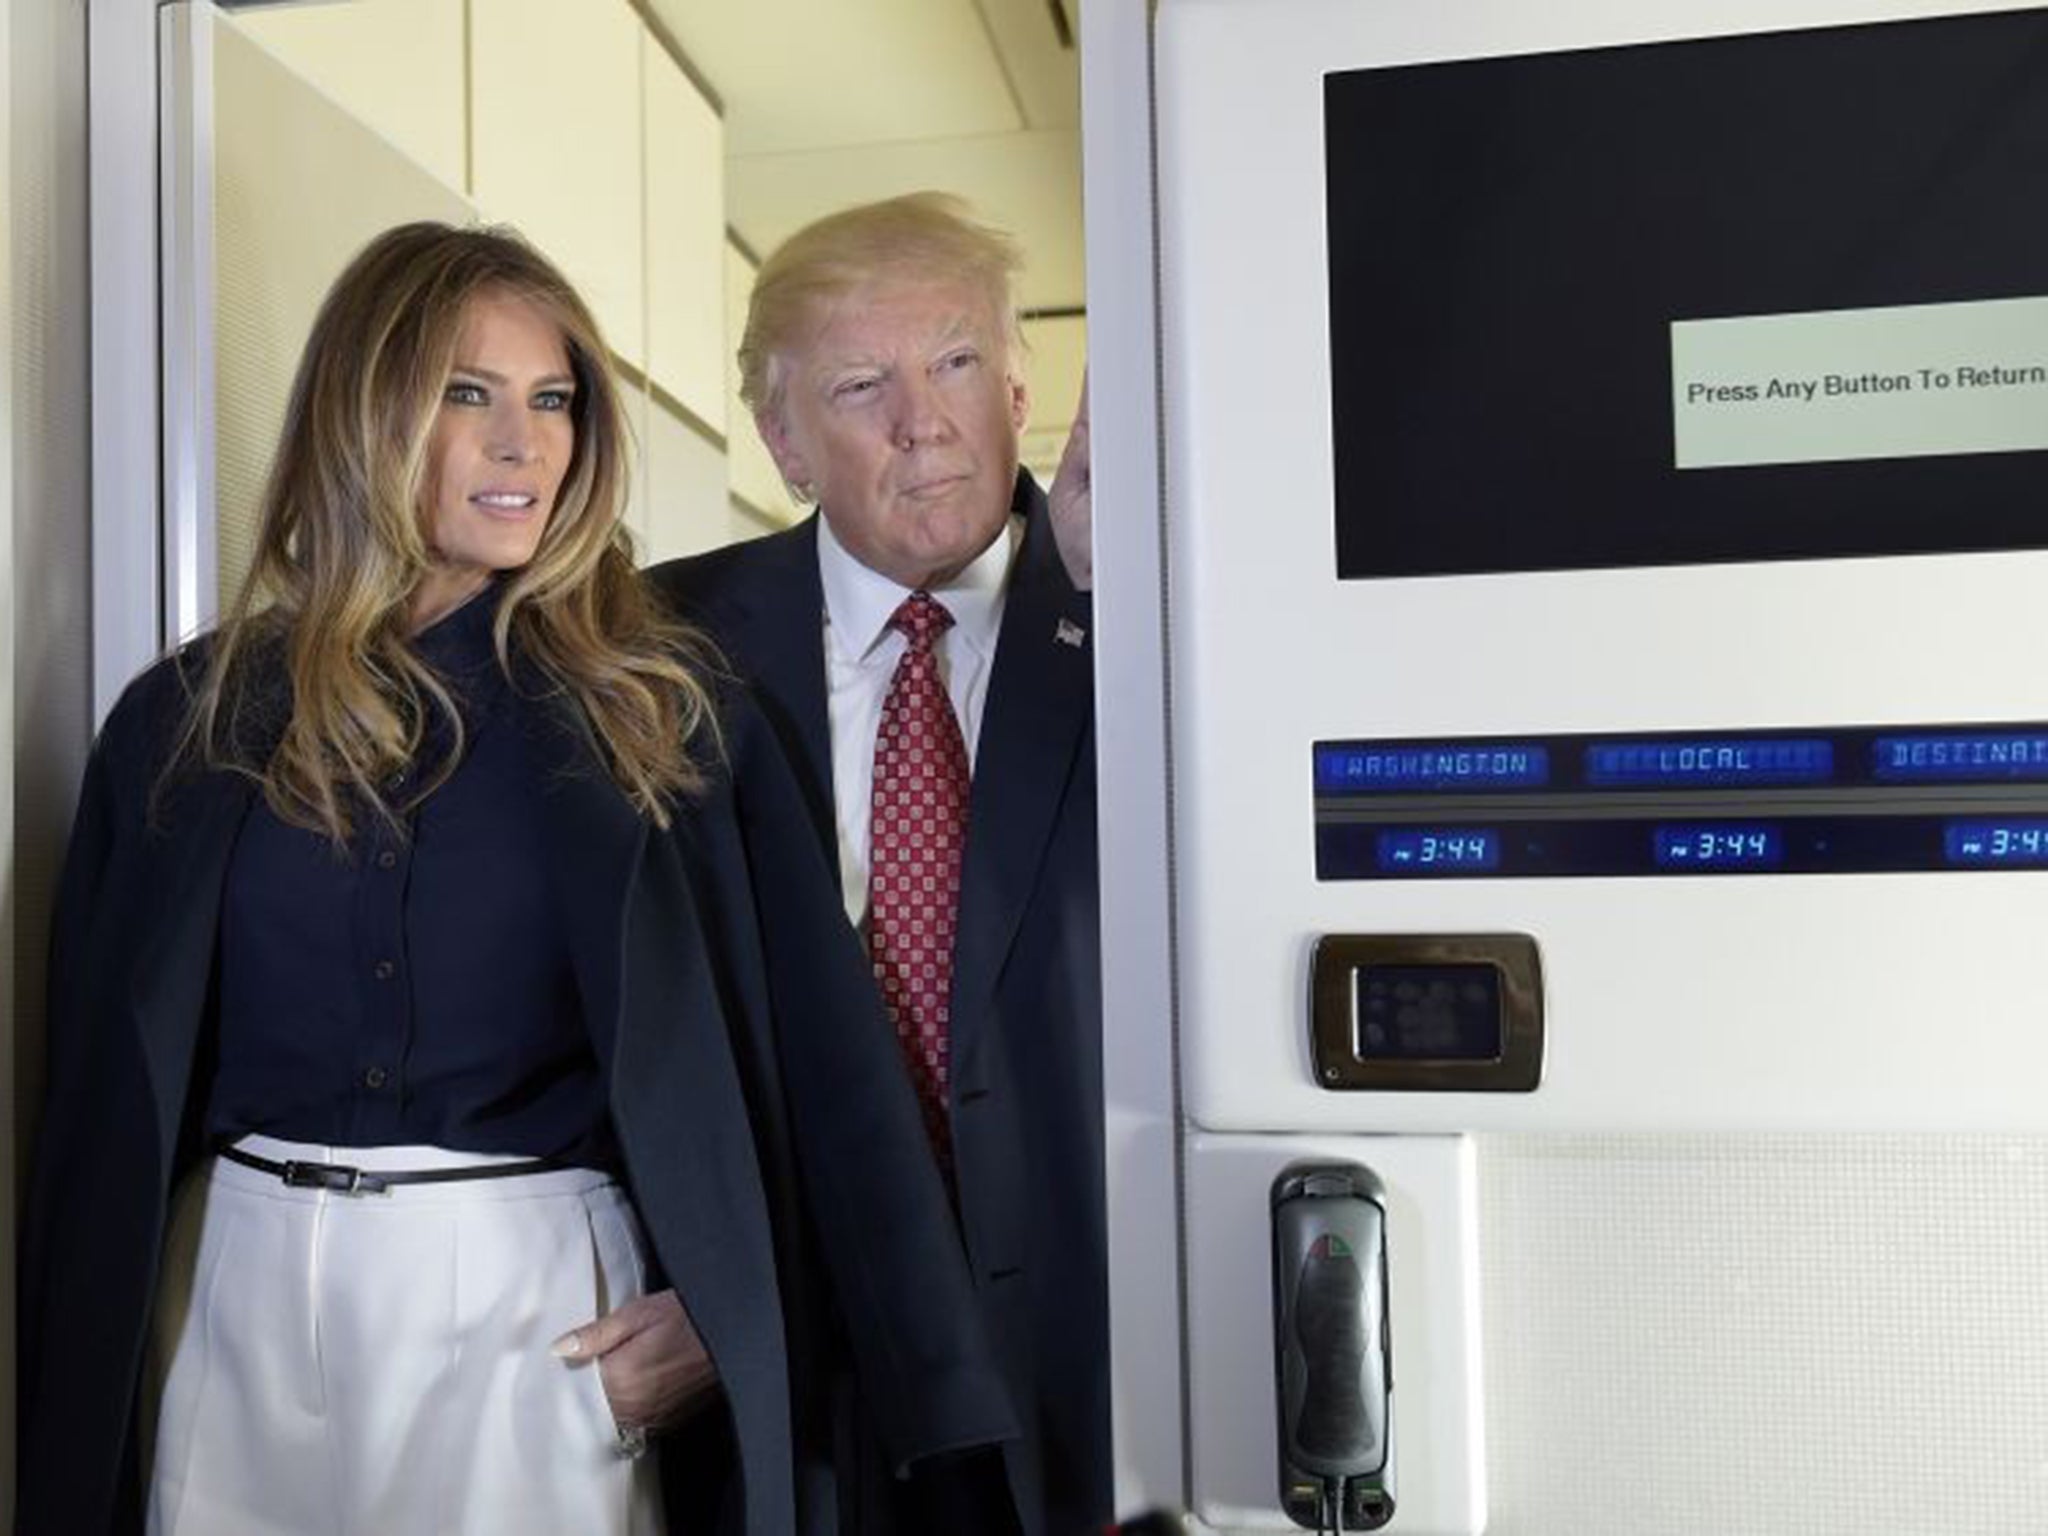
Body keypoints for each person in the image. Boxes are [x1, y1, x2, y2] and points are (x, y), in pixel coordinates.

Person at [16, 221, 1014, 1536]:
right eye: (466, 395)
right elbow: (92, 1098)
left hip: (537, 1316)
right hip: (229, 1297)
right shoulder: (187, 721)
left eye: (552, 401)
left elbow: (830, 1086)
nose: (524, 444)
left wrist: (743, 1303)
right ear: (363, 411)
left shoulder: (672, 716)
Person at [650, 193, 1108, 1536]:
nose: (925, 419)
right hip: (791, 1348)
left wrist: (1119, 615)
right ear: (786, 445)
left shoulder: (1143, 613)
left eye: (957, 362)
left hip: (1082, 1355)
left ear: (1018, 383)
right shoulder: (654, 644)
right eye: (863, 385)